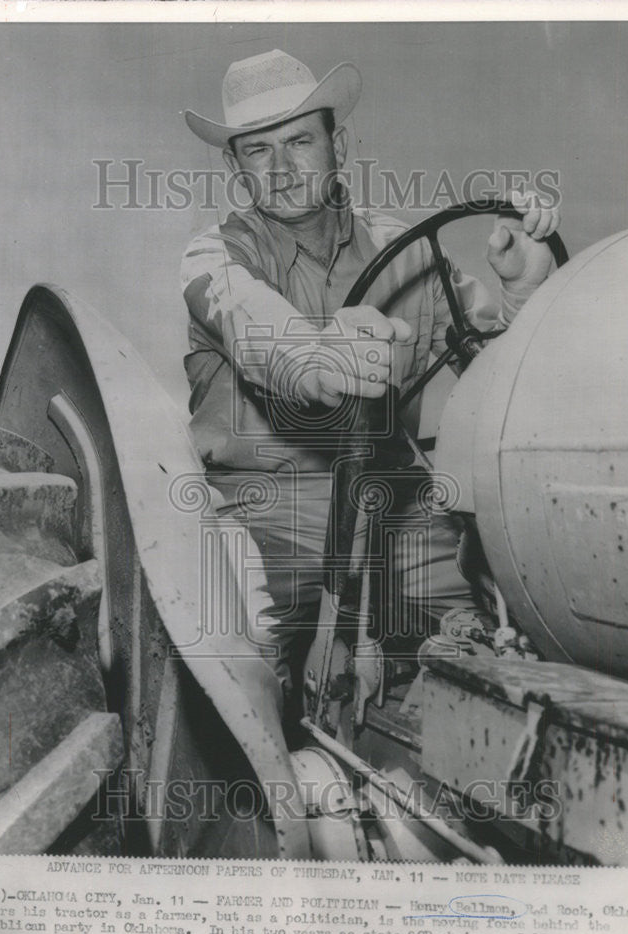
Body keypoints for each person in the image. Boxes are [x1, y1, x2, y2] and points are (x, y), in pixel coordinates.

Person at [181, 49, 559, 701]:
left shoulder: (410, 247)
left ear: (340, 145)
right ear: (234, 166)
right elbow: (259, 331)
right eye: (258, 150)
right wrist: (320, 358)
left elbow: (496, 363)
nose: (283, 167)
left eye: (300, 140)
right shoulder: (215, 254)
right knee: (241, 672)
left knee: (488, 639)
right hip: (270, 506)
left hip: (397, 500)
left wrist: (525, 289)